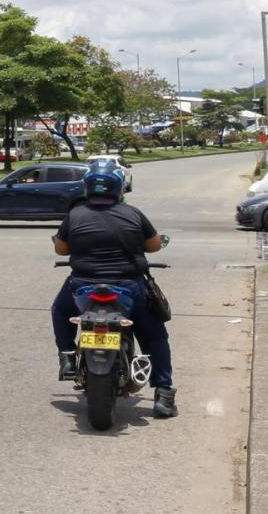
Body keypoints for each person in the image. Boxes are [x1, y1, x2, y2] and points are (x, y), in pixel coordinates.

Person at [50, 161, 176, 418]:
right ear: (120, 186)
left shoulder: (74, 214)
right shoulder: (133, 214)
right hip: (129, 285)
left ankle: (67, 356)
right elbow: (153, 246)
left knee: (60, 310)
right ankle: (163, 394)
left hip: (82, 286)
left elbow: (61, 249)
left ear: (87, 186)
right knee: (154, 337)